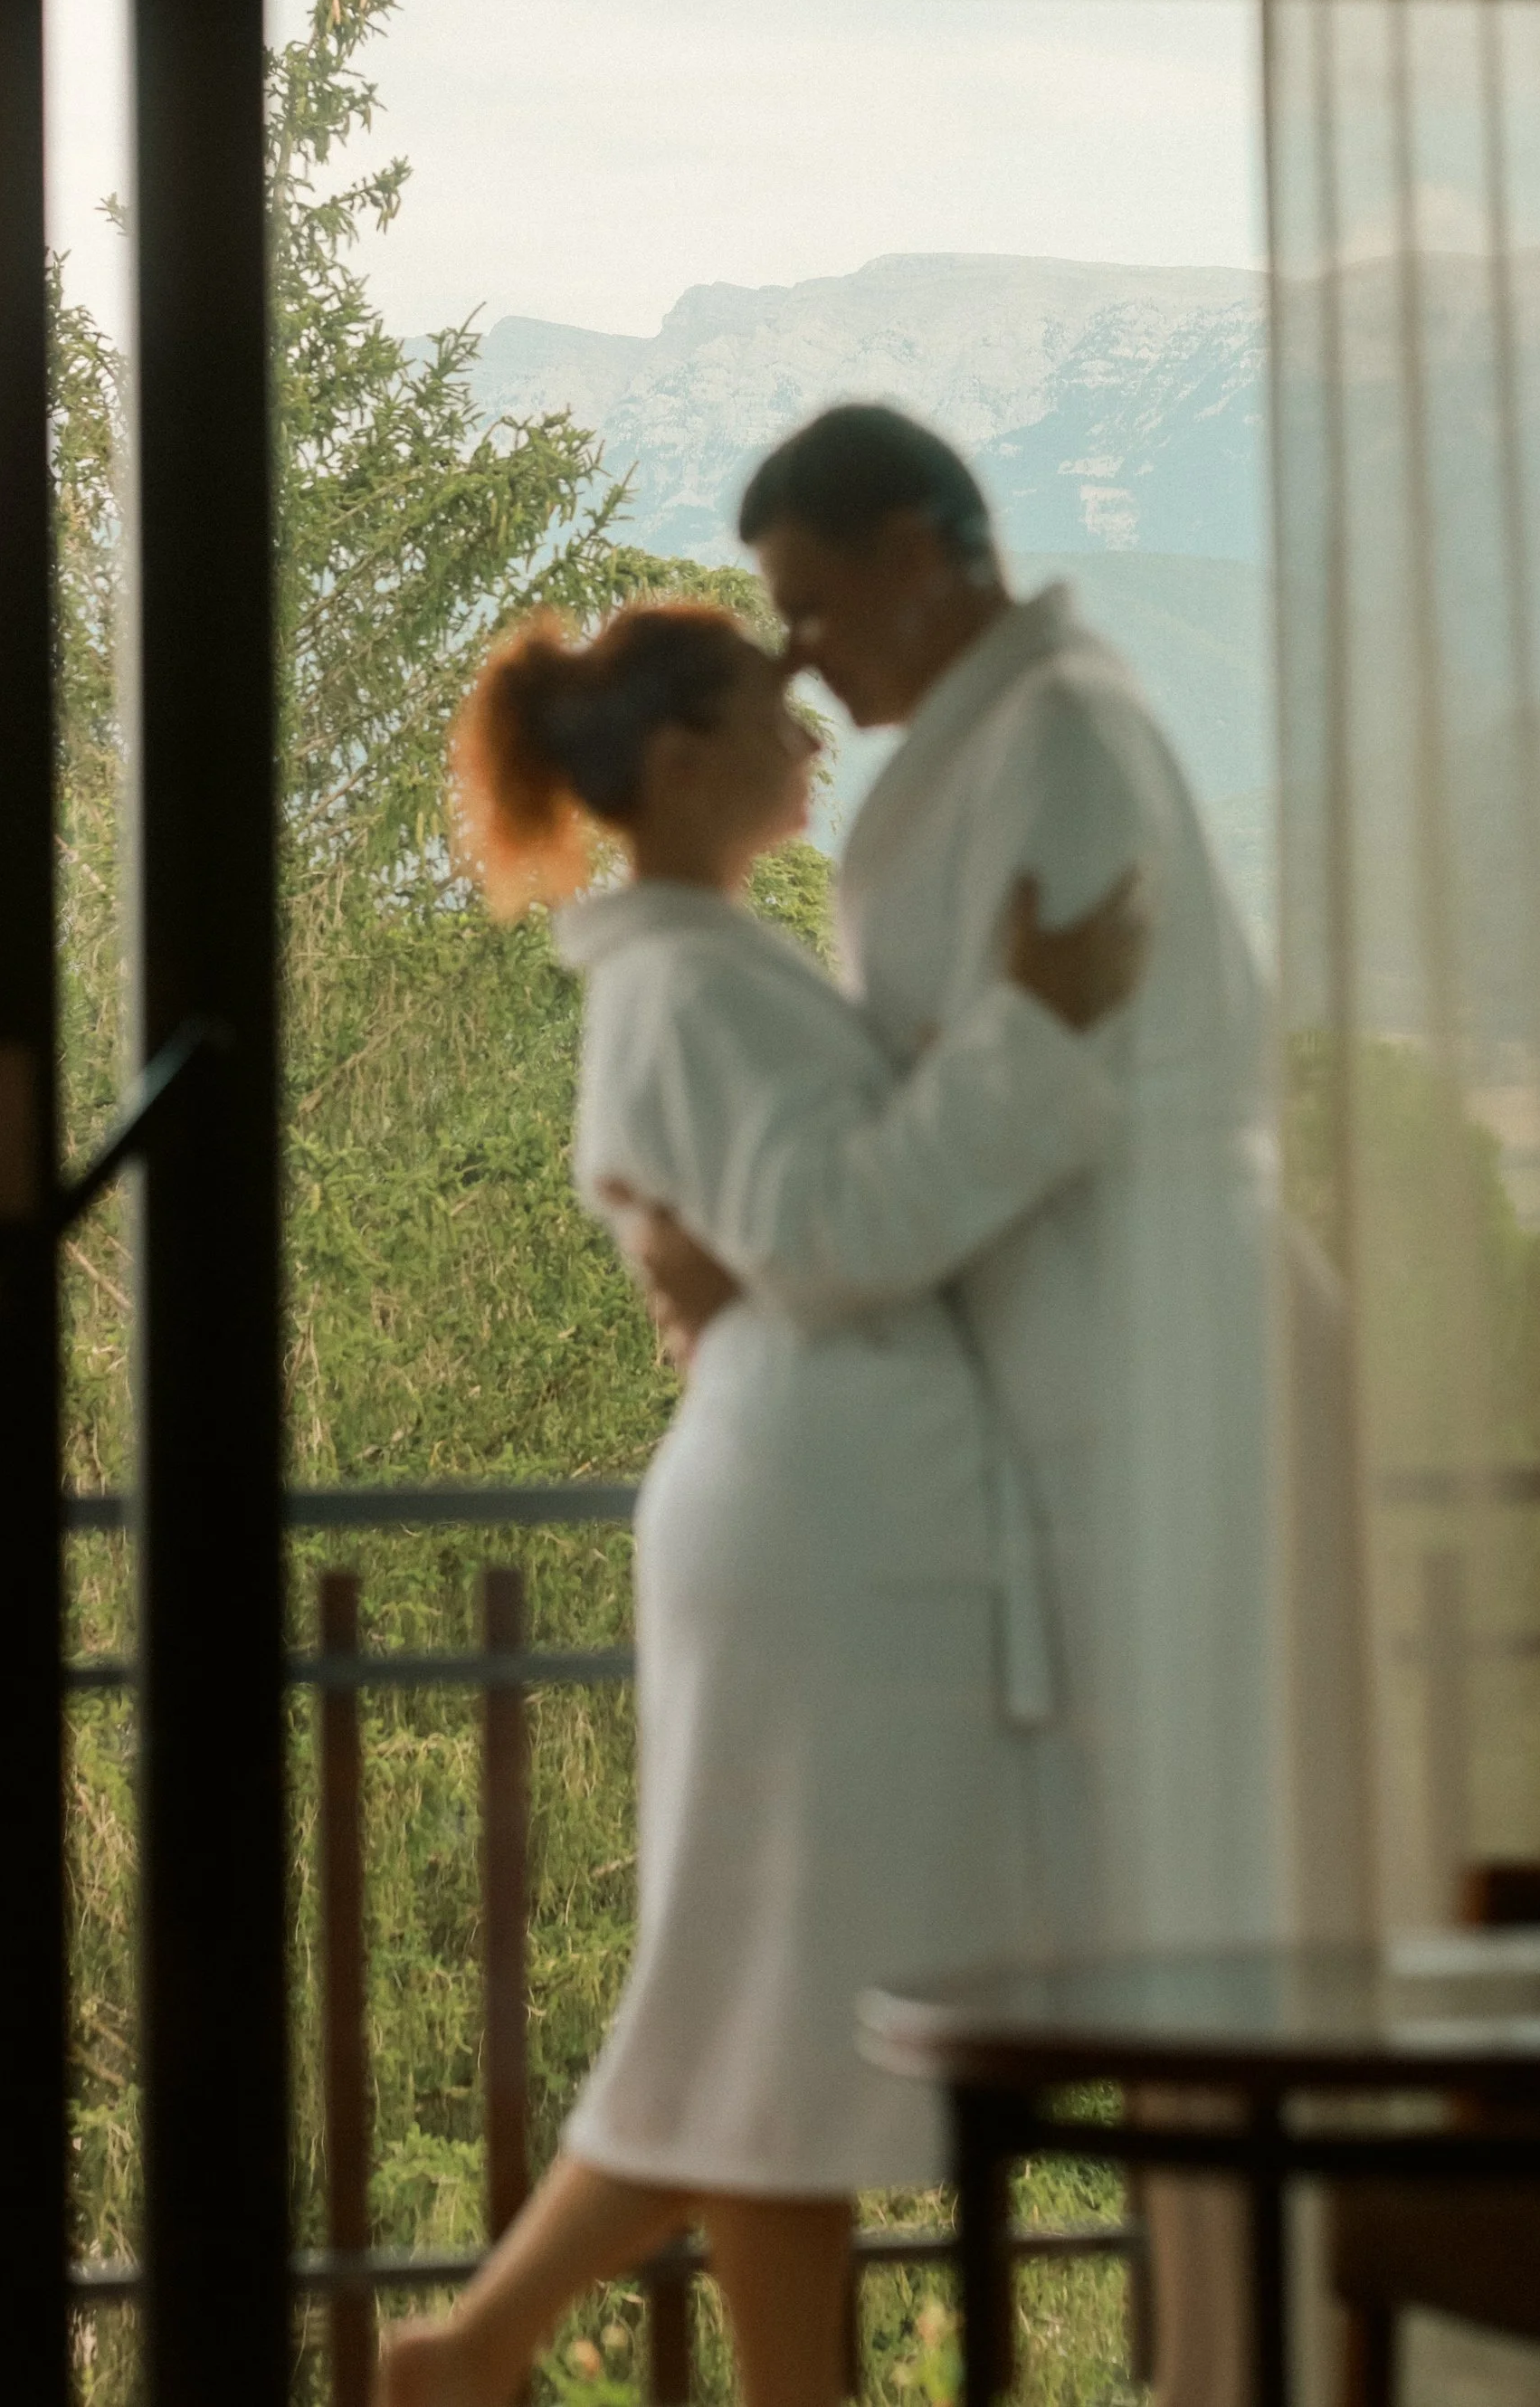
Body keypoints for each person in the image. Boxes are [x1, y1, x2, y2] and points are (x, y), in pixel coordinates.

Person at [380, 598, 1145, 2407]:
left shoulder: (708, 962)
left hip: (827, 1499)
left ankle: (479, 2348)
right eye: (766, 713)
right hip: (822, 1525)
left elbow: (788, 1230)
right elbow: (834, 1230)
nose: (811, 743)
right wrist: (1034, 1026)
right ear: (670, 763)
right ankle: (478, 2344)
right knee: (764, 1994)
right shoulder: (685, 982)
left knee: (769, 2001)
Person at [615, 410, 1290, 2407]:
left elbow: (984, 1122)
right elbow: (955, 1104)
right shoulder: (985, 752)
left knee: (1189, 1905)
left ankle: (1230, 2360)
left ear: (928, 546)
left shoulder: (1058, 740)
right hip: (1060, 1363)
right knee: (1149, 1911)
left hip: (1142, 1362)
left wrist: (789, 1246)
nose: (802, 659)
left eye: (815, 602)